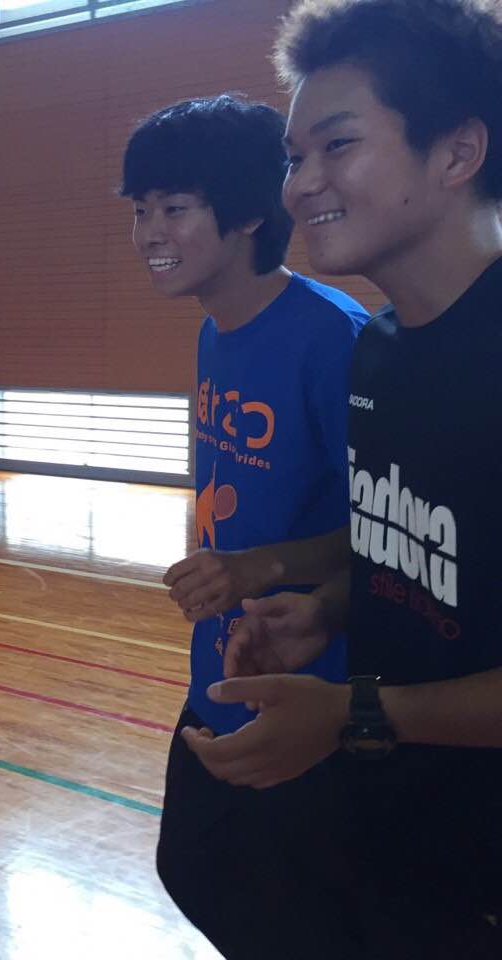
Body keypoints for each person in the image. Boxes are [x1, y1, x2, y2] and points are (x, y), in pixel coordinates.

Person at [188, 2, 502, 956]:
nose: (300, 187)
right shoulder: (379, 353)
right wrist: (324, 610)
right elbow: (419, 561)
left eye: (338, 145)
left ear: (458, 152)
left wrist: (358, 714)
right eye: (295, 157)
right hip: (395, 830)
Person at [120, 94, 367, 957]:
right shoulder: (214, 333)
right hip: (218, 668)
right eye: (140, 210)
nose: (149, 232)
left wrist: (261, 567)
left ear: (250, 214)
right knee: (190, 867)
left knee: (293, 922)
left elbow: (395, 532)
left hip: (307, 691)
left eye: (174, 208)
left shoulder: (336, 340)